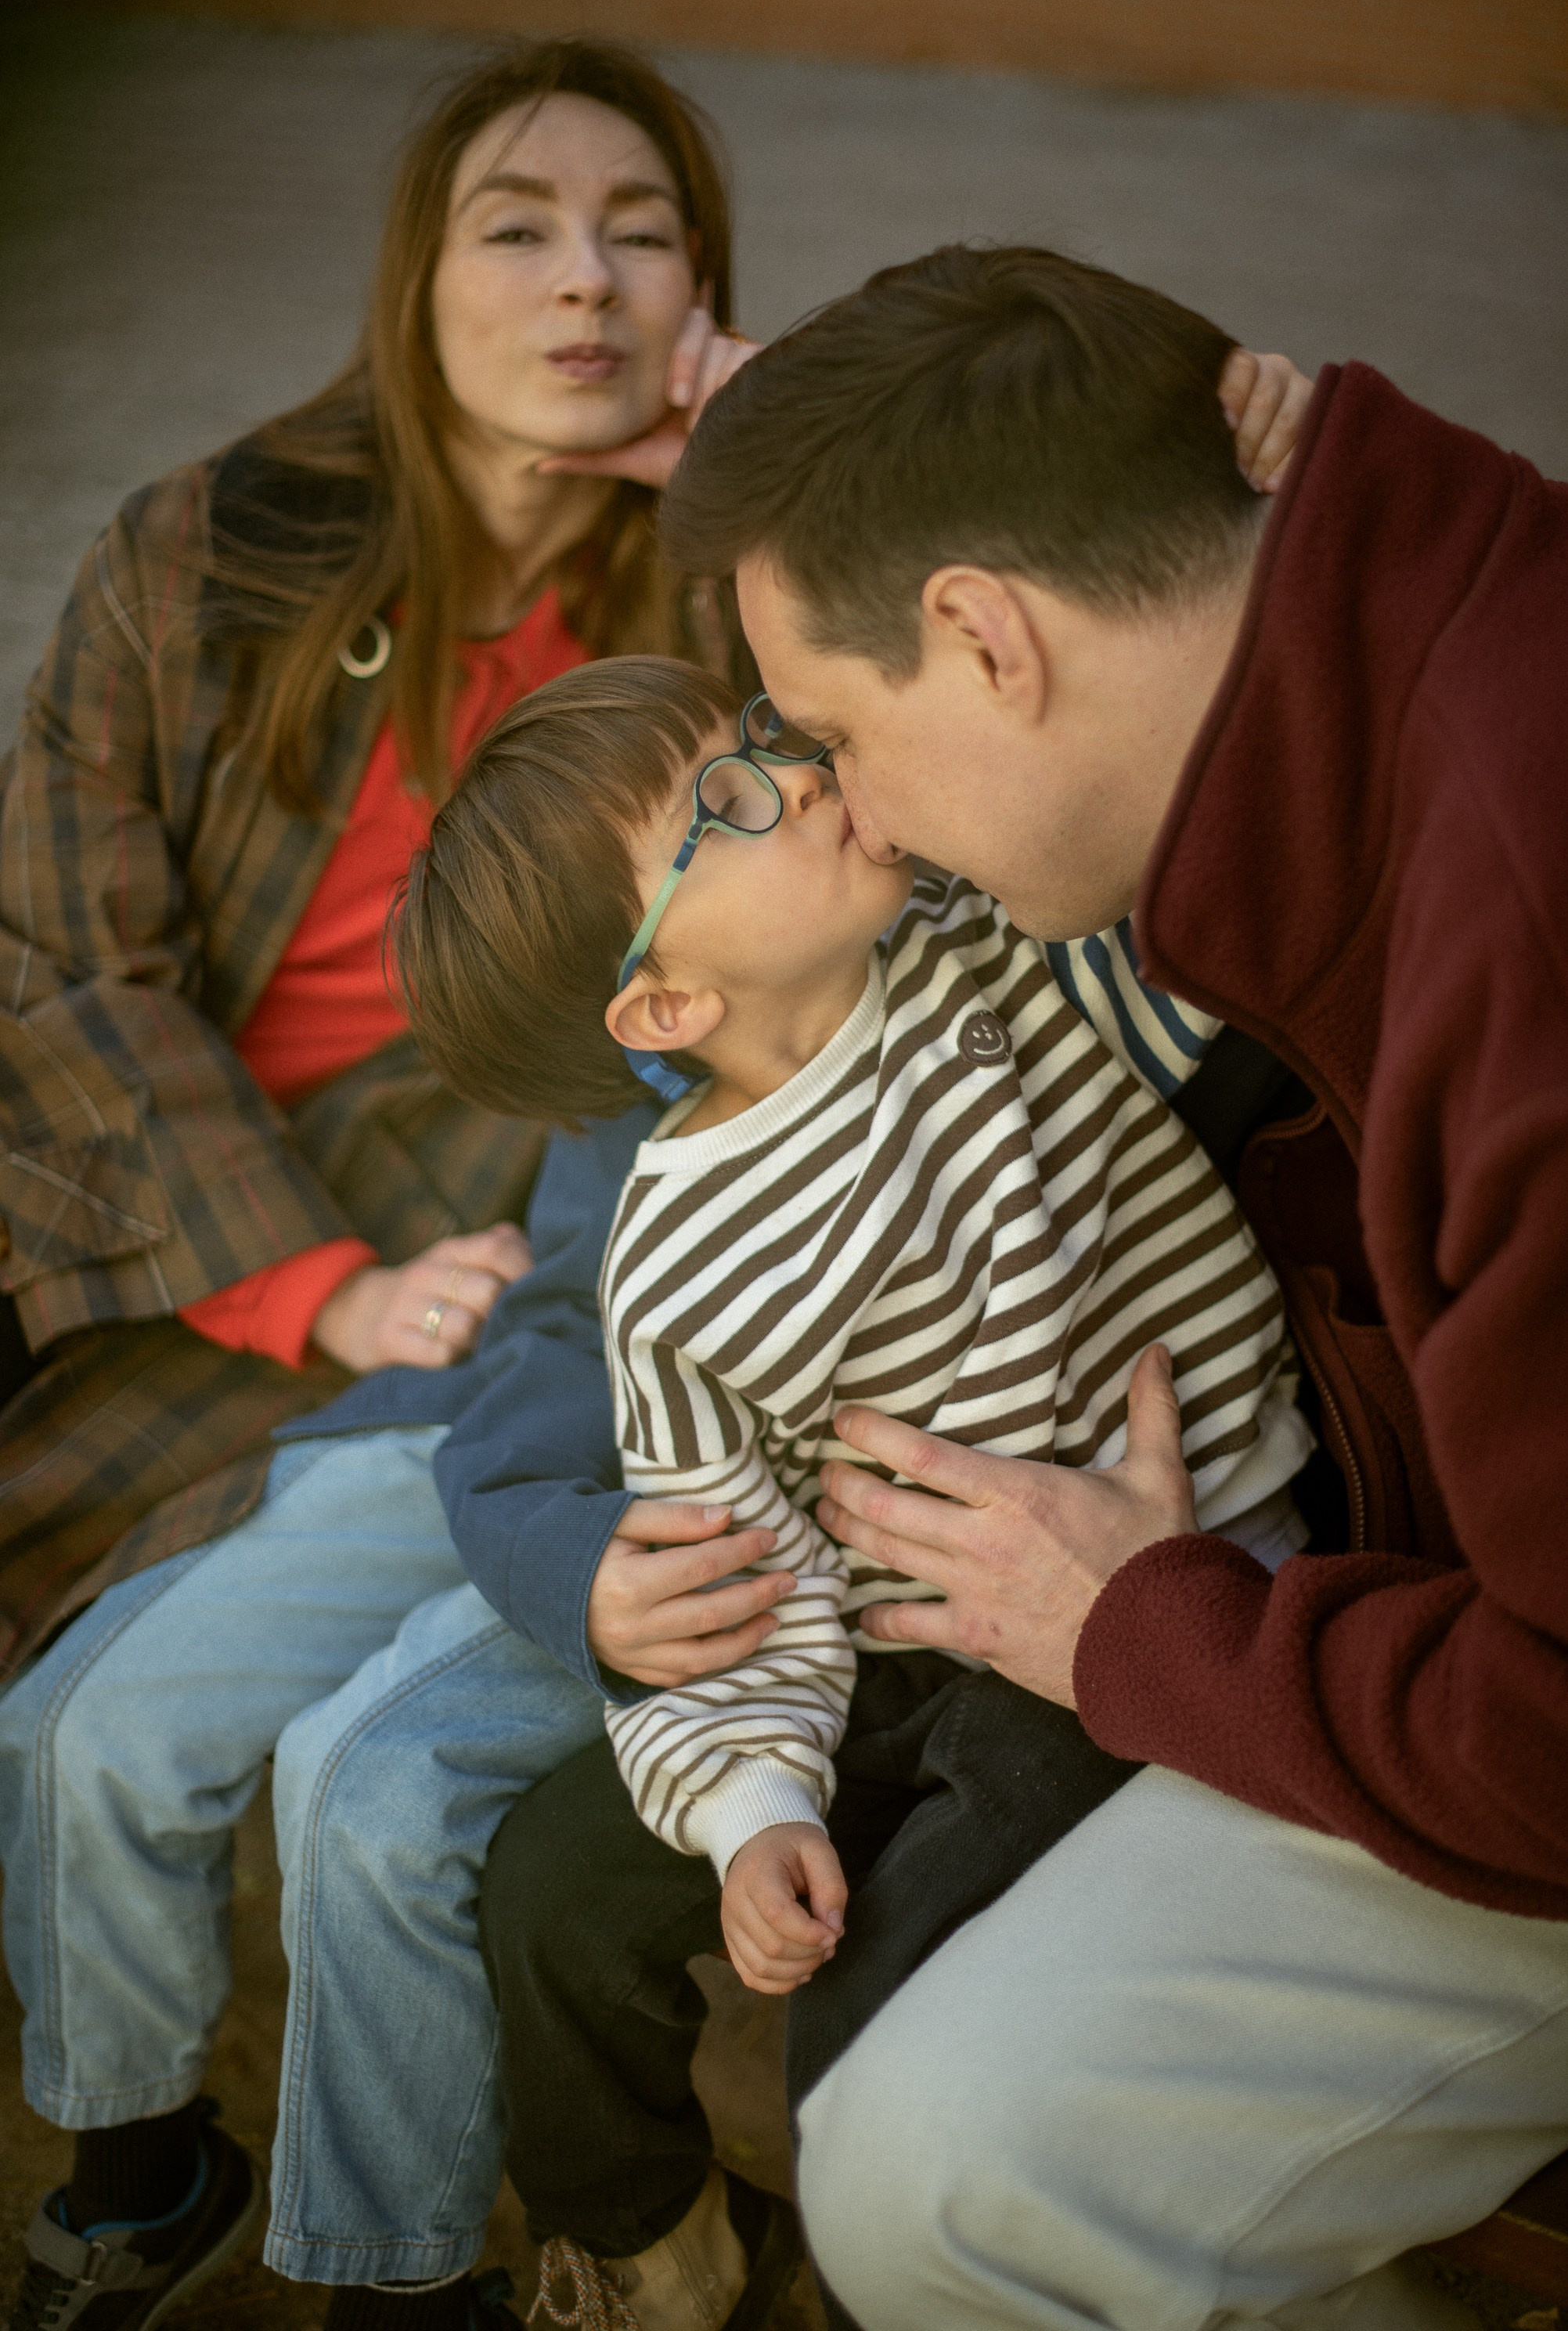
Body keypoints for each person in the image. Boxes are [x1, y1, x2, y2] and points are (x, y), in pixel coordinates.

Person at [0, 135, 1310, 2331]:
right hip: (804, 1589)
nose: (802, 773)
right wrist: (733, 1782)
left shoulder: (957, 896)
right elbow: (662, 1452)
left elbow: (1117, 753)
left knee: (779, 1975)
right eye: (514, 226)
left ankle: (846, 2197)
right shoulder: (670, 1206)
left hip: (1136, 1572)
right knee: (393, 1817)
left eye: (646, 236)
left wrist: (1238, 521)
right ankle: (548, 2242)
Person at [588, 241, 1568, 2330]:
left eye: (842, 728)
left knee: (943, 2179)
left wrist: (1152, 1630)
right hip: (1438, 1620)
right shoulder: (1383, 589)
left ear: (981, 634)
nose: (859, 804)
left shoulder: (1522, 936)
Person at [0, 35, 760, 2331]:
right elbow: (58, 958)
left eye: (646, 233)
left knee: (216, 1650)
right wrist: (306, 1275)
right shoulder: (210, 543)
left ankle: (282, 2208)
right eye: (516, 224)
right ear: (410, 281)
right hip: (176, 1181)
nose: (585, 283)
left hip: (490, 1220)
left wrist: (772, 442)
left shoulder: (723, 591)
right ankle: (143, 2152)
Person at [391, 648, 1316, 2329]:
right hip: (902, 1638)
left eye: (765, 742)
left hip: (1150, 1590)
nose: (798, 777)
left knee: (872, 2007)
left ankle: (881, 2251)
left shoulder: (990, 946)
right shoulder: (674, 1265)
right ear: (666, 1007)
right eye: (729, 806)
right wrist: (756, 1812)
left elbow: (1209, 948)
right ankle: (659, 2255)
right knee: (553, 1891)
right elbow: (749, 1567)